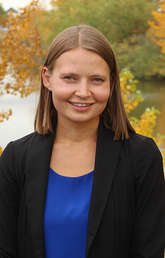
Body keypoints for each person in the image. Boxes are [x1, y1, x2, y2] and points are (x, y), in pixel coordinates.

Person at [0, 25, 165, 258]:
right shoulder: (15, 158)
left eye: (97, 79)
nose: (83, 91)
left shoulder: (142, 157)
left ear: (112, 83)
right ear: (46, 78)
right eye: (70, 78)